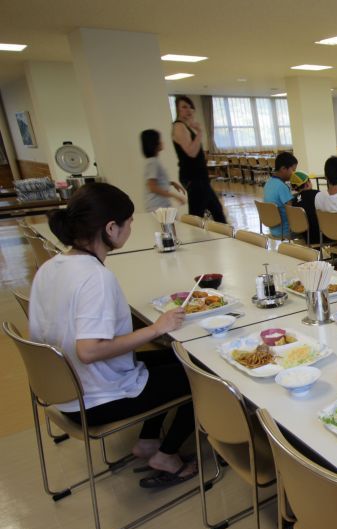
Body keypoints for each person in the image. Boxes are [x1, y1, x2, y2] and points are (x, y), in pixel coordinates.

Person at [28, 183, 198, 487]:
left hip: (65, 388)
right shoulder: (96, 278)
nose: (131, 227)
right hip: (95, 398)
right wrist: (157, 328)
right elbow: (89, 350)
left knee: (173, 356)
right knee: (200, 375)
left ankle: (147, 443)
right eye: (129, 222)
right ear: (110, 228)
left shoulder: (51, 266)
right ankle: (166, 455)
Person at [171, 95, 226, 223]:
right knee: (199, 216)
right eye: (184, 107)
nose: (189, 110)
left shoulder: (185, 127)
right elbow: (191, 152)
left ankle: (223, 238)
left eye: (190, 107)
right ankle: (198, 240)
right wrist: (200, 133)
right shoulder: (179, 126)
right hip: (194, 178)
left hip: (199, 178)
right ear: (178, 110)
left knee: (216, 211)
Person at [140, 129, 186, 212]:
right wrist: (175, 196)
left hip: (161, 206)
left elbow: (157, 181)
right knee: (173, 224)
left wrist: (171, 183)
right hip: (157, 207)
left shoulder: (154, 162)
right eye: (159, 140)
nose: (162, 142)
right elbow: (152, 187)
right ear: (154, 143)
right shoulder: (152, 163)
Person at [263, 152, 297, 239]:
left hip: (274, 229)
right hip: (286, 231)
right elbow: (292, 212)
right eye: (293, 170)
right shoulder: (282, 187)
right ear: (283, 169)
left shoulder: (269, 182)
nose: (294, 173)